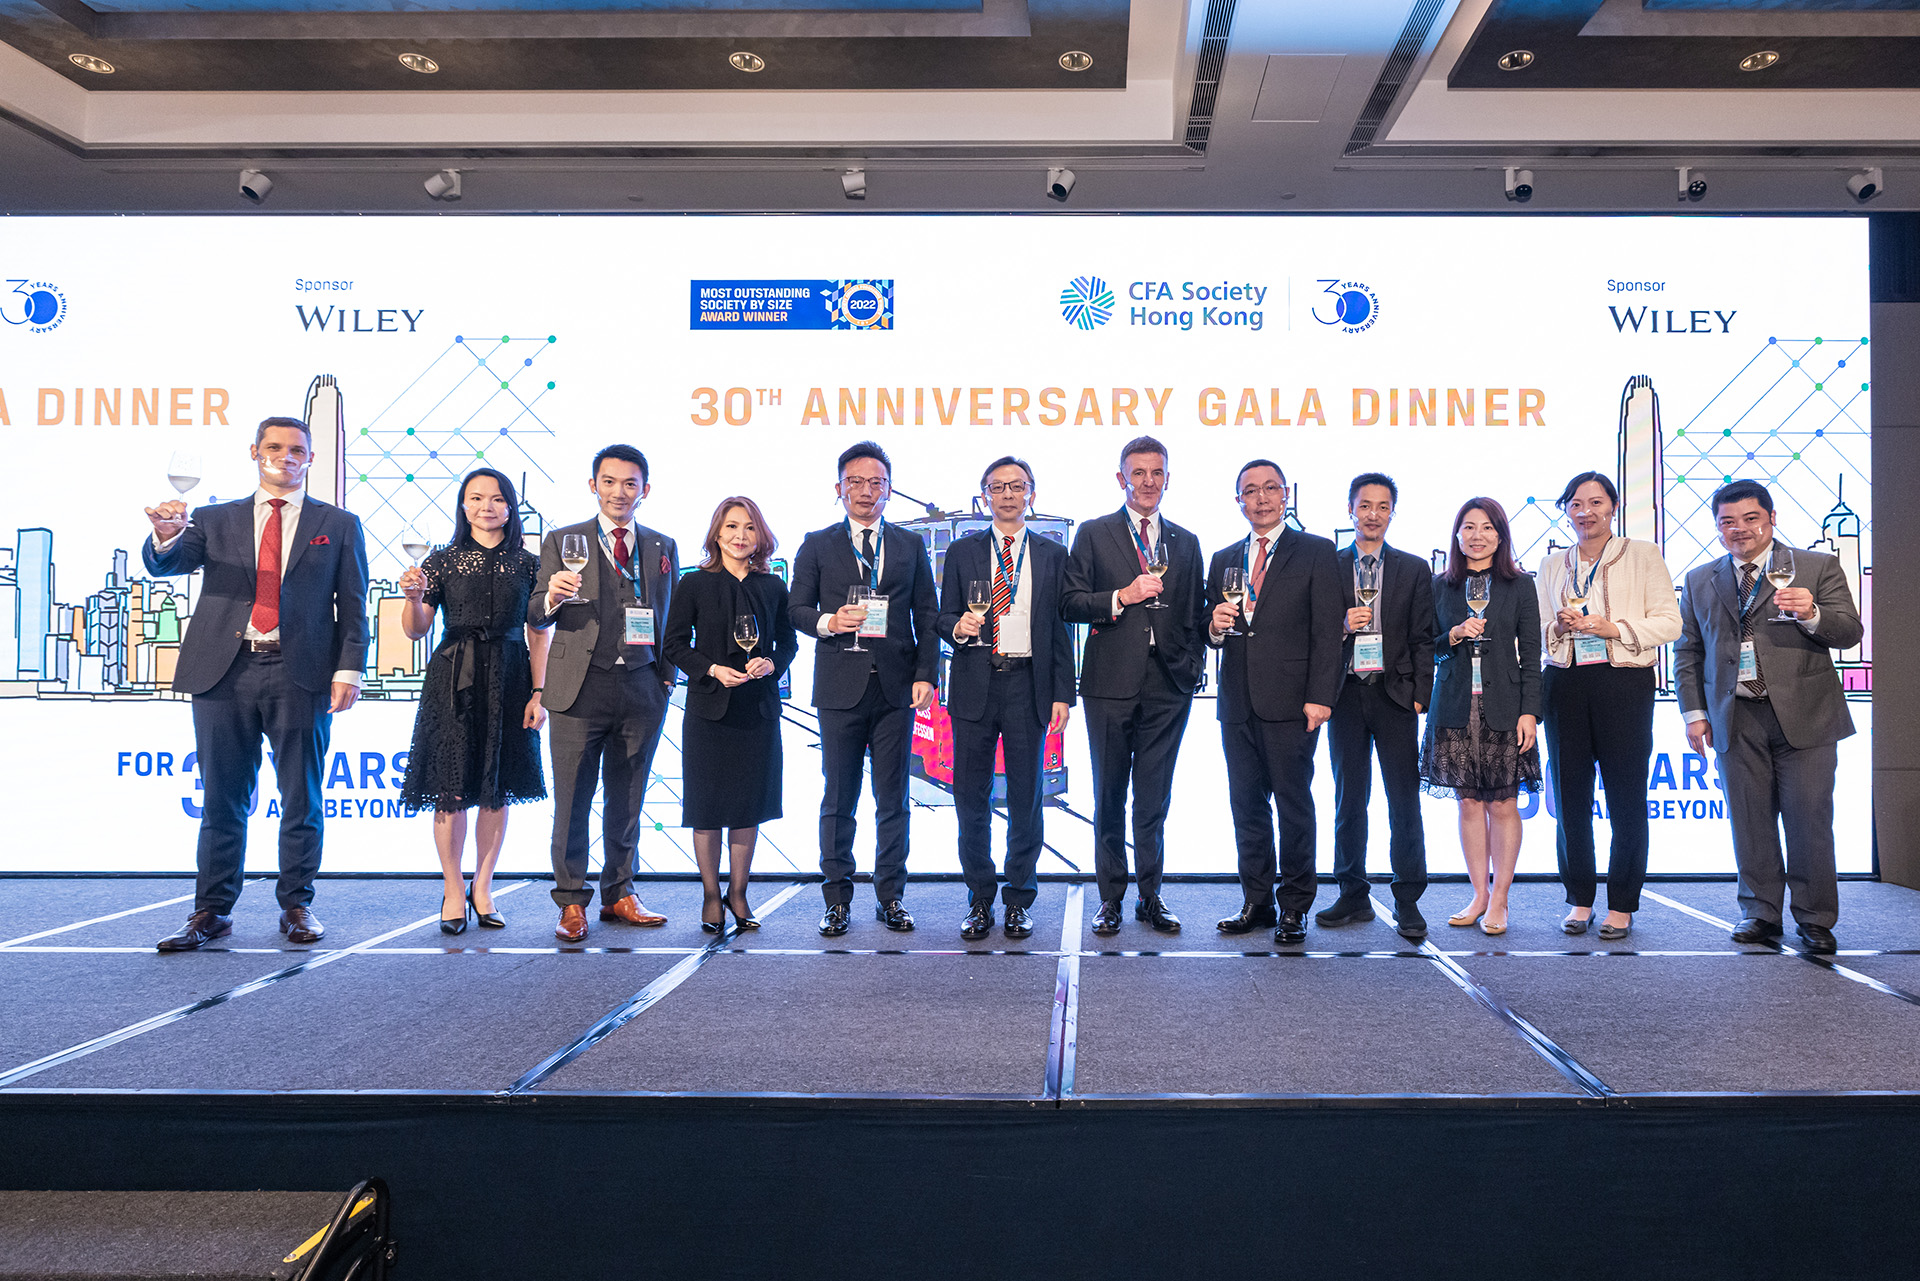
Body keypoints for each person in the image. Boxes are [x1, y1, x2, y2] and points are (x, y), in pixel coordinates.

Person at [142, 416, 369, 952]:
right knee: (222, 798)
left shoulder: (338, 523)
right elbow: (166, 566)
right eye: (274, 446)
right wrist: (166, 534)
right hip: (223, 672)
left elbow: (354, 604)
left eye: (297, 450)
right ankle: (212, 911)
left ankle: (297, 905)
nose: (285, 456)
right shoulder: (213, 518)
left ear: (309, 458)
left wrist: (349, 669)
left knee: (301, 797)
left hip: (302, 672)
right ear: (254, 452)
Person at [1676, 479, 1862, 954]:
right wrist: (1695, 713)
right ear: (1718, 527)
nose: (1739, 529)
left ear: (1772, 519)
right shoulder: (1700, 579)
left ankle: (1816, 918)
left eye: (1750, 519)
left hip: (1806, 715)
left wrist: (1812, 613)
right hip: (1735, 715)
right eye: (1728, 522)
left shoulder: (1815, 566)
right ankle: (1759, 911)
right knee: (1749, 821)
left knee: (1809, 821)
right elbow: (1688, 651)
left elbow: (1849, 632)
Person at [788, 441, 939, 937]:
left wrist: (926, 674)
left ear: (889, 490)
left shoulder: (910, 545)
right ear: (839, 488)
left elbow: (927, 615)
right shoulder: (817, 543)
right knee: (839, 798)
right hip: (839, 687)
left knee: (893, 799)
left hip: (897, 689)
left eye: (876, 482)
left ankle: (891, 897)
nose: (866, 491)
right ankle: (836, 899)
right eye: (855, 481)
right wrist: (830, 622)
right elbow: (795, 610)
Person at [529, 444, 679, 943]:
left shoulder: (661, 546)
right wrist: (553, 596)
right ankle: (572, 901)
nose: (619, 492)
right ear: (593, 485)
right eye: (609, 482)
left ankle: (620, 892)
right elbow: (534, 614)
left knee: (628, 798)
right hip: (578, 689)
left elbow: (671, 616)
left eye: (630, 483)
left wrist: (665, 679)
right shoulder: (563, 540)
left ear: (644, 490)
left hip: (642, 686)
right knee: (573, 800)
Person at [1062, 435, 1210, 936]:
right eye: (1138, 473)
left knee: (1153, 799)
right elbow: (1070, 603)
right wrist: (1121, 596)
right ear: (1121, 479)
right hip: (1108, 683)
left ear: (1168, 478)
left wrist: (1191, 665)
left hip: (1168, 686)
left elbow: (1194, 613)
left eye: (1157, 473)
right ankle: (1110, 898)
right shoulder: (1094, 533)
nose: (1148, 482)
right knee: (1109, 796)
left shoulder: (1186, 541)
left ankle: (1151, 896)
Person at [396, 469, 550, 935]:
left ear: (510, 507)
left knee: (495, 788)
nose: (487, 506)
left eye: (497, 498)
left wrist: (539, 693)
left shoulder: (530, 564)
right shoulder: (441, 561)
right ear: (463, 506)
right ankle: (451, 888)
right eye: (476, 498)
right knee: (451, 787)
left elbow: (538, 633)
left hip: (510, 677)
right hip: (453, 680)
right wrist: (414, 598)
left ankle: (483, 888)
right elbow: (416, 629)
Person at [1536, 471, 1681, 942]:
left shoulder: (1642, 554)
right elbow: (1536, 629)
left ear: (1613, 507)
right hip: (1564, 682)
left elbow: (1670, 622)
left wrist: (1612, 628)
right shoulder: (1552, 563)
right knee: (1569, 799)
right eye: (1576, 504)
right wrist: (1559, 628)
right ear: (1566, 511)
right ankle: (1579, 899)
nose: (1586, 512)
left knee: (1626, 797)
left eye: (1596, 502)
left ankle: (1622, 904)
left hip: (1623, 683)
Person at [1204, 460, 1343, 945]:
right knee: (1247, 807)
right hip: (1237, 702)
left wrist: (1320, 697)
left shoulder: (1316, 551)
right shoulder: (1224, 557)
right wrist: (1213, 627)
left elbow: (1328, 632)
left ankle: (1295, 906)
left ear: (1286, 495)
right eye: (1250, 491)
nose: (1260, 498)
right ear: (1238, 500)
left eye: (1270, 489)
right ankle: (1257, 901)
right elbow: (1208, 626)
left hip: (1292, 702)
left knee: (1293, 806)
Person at [937, 457, 1075, 941]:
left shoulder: (1054, 555)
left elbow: (1061, 630)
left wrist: (1063, 693)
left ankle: (1018, 899)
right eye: (998, 487)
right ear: (985, 497)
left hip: (1028, 685)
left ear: (1031, 494)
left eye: (1017, 486)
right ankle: (979, 899)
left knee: (1026, 797)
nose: (1009, 494)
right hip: (974, 685)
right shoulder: (962, 551)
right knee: (970, 797)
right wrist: (957, 627)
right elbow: (941, 617)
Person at [661, 496, 798, 932]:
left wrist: (771, 662)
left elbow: (788, 642)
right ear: (717, 534)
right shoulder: (693, 584)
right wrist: (712, 669)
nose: (741, 535)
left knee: (747, 806)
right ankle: (709, 895)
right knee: (706, 807)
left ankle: (738, 894)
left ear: (760, 535)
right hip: (709, 710)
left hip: (757, 709)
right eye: (732, 526)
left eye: (749, 527)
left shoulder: (773, 586)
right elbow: (673, 644)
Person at [1319, 473, 1437, 941]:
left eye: (1382, 506)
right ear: (1350, 511)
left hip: (1396, 695)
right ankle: (1352, 893)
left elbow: (1424, 637)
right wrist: (1341, 624)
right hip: (1345, 693)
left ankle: (1408, 899)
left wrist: (1421, 693)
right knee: (1349, 799)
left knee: (1403, 800)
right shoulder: (1328, 566)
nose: (1373, 514)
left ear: (1392, 513)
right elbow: (1312, 631)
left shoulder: (1413, 569)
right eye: (1364, 505)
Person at [1422, 497, 1541, 937]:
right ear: (1457, 536)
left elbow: (1532, 655)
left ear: (1500, 535)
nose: (1478, 536)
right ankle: (1478, 895)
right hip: (1453, 705)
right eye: (1469, 527)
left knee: (1503, 803)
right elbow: (1425, 648)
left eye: (1488, 527)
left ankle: (1501, 899)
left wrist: (1530, 712)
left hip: (1506, 707)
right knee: (1469, 802)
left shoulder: (1520, 585)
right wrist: (1453, 635)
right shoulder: (1440, 586)